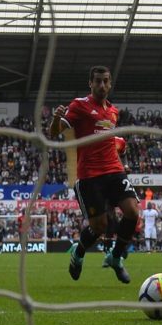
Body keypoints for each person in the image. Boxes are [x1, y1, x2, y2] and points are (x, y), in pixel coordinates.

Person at [48, 65, 138, 284]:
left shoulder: (113, 111)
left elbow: (116, 144)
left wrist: (122, 164)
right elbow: (55, 133)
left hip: (114, 172)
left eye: (106, 81)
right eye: (97, 81)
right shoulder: (79, 105)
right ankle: (78, 254)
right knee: (99, 226)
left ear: (110, 83)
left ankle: (116, 258)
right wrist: (56, 119)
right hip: (90, 176)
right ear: (90, 83)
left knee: (133, 212)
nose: (102, 85)